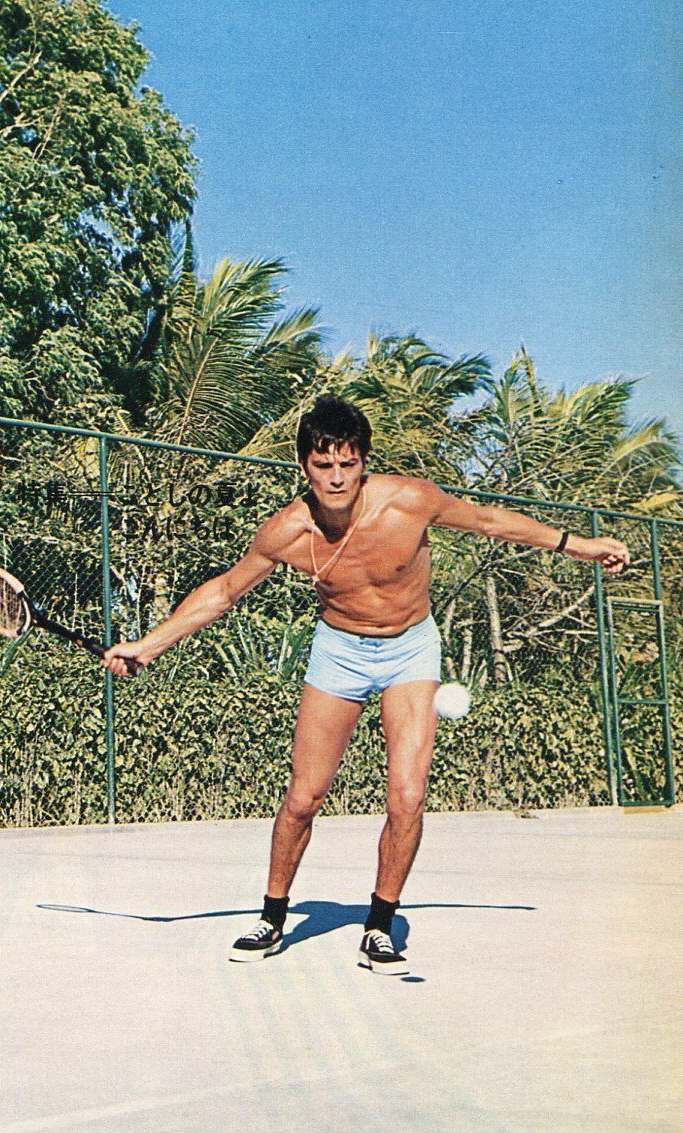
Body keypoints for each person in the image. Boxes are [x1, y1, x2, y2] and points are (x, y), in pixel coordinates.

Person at [103, 394, 629, 975]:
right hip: (339, 651)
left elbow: (488, 521)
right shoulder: (287, 531)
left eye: (347, 464)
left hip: (411, 648)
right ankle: (272, 916)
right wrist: (148, 645)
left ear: (364, 464)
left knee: (407, 795)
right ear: (304, 465)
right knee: (304, 797)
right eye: (323, 465)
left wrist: (578, 545)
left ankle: (379, 925)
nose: (336, 477)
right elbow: (225, 591)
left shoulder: (409, 501)